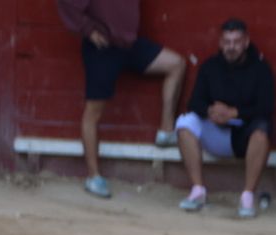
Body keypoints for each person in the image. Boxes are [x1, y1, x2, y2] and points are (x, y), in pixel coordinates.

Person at [56, 0, 186, 198]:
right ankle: (93, 176)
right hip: (103, 48)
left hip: (128, 44)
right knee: (93, 113)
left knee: (176, 64)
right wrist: (88, 30)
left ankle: (166, 131)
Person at [174, 19, 276, 218]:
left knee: (263, 129)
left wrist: (234, 113)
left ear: (246, 42)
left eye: (236, 42)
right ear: (220, 43)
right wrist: (211, 111)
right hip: (214, 132)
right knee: (185, 122)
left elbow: (266, 108)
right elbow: (194, 102)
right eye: (227, 42)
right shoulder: (209, 67)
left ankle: (247, 196)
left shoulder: (261, 70)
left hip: (242, 138)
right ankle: (198, 190)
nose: (231, 47)